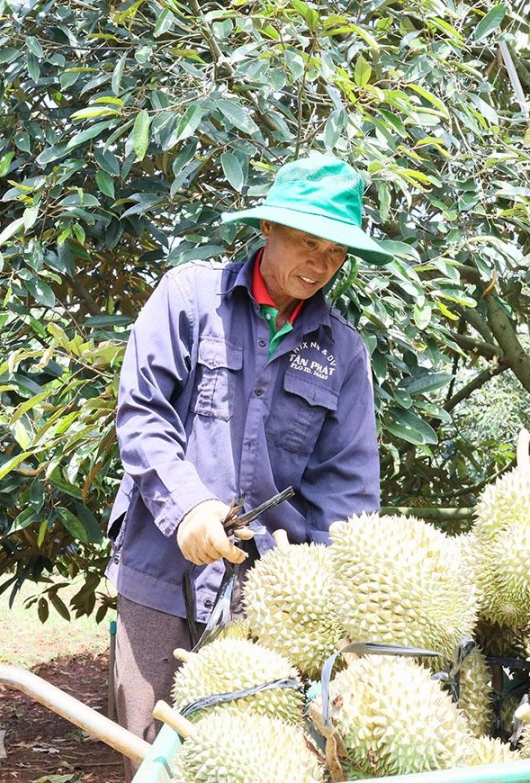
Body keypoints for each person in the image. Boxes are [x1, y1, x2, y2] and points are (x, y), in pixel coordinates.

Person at [104, 153, 395, 774]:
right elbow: (143, 414)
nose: (320, 263)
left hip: (268, 603)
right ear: (267, 228)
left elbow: (345, 493)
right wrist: (189, 508)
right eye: (308, 242)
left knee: (255, 764)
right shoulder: (190, 298)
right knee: (152, 756)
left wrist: (337, 605)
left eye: (336, 252)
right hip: (160, 575)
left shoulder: (342, 353)